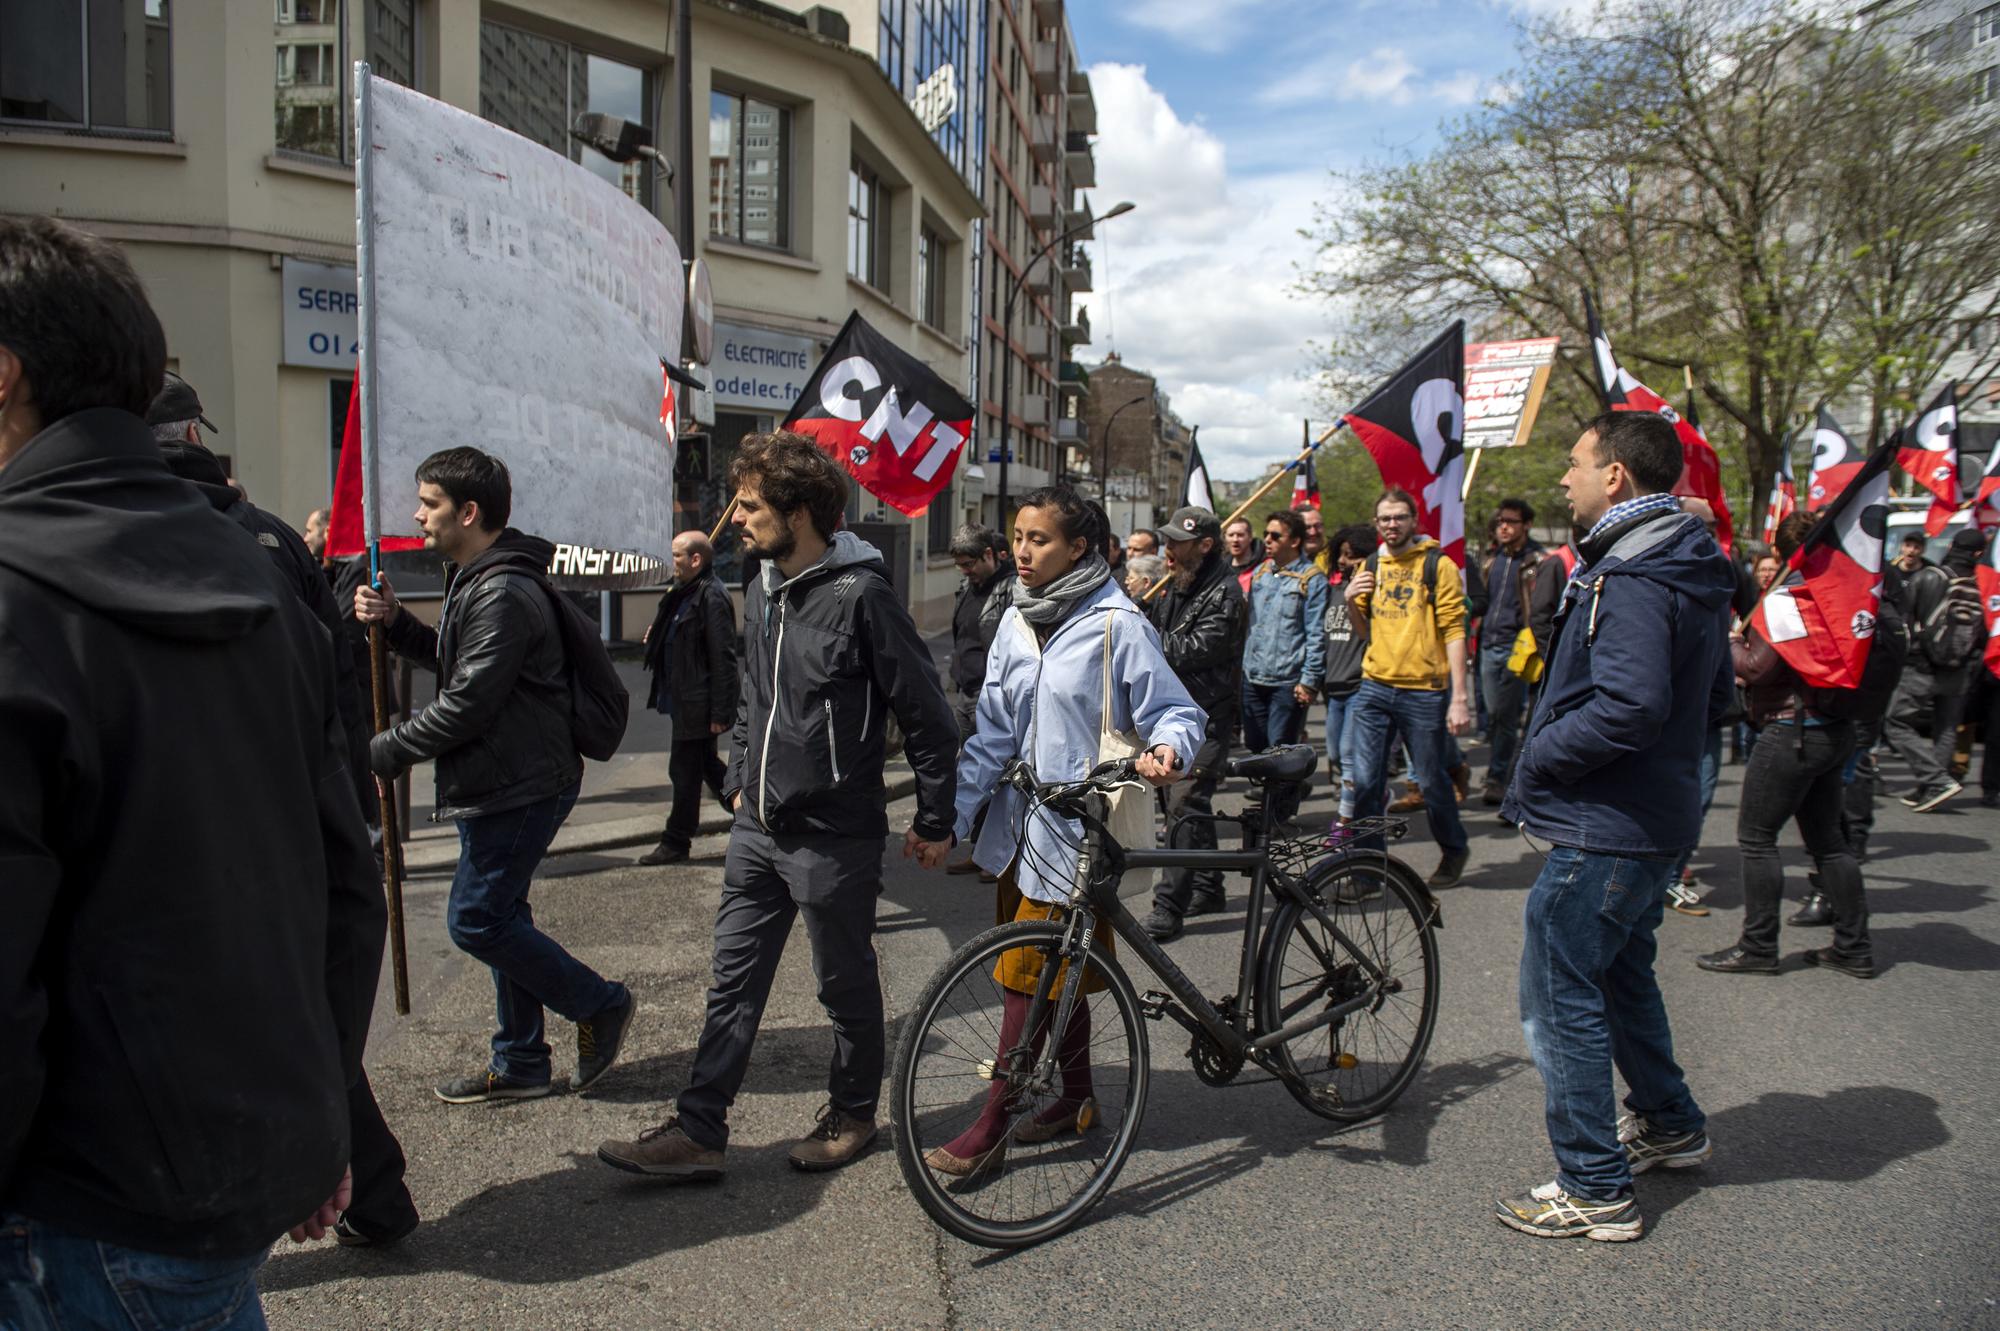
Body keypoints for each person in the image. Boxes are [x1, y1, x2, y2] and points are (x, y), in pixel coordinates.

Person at [0, 214, 384, 1321]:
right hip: (218, 1180)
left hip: (67, 1214)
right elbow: (340, 878)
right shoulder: (256, 562)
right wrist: (313, 1121)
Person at [596, 431, 958, 1180]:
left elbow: (927, 714)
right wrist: (736, 776)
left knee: (842, 984)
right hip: (757, 827)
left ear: (800, 513)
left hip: (833, 835)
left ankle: (854, 1111)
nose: (739, 515)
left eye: (753, 503)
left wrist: (934, 817)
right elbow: (757, 690)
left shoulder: (863, 597)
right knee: (731, 982)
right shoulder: (760, 586)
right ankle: (700, 1130)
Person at [148, 377, 416, 1248]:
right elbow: (330, 682)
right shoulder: (253, 534)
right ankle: (370, 1193)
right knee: (309, 1024)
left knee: (296, 1026)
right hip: (298, 819)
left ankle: (328, 1189)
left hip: (233, 834)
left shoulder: (163, 533)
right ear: (194, 431)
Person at [1494, 410, 1733, 1242]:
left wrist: (1539, 756)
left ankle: (1593, 1183)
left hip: (1611, 823)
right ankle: (1670, 1121)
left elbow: (1631, 704)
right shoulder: (1685, 560)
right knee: (1624, 976)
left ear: (1617, 476)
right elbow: (1712, 702)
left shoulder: (1633, 573)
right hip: (1651, 813)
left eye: (1575, 463)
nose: (1565, 478)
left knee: (1559, 993)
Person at [922, 485, 1204, 1176]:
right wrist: (949, 819)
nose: (1021, 550)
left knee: (1027, 976)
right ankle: (1075, 1096)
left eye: (1038, 539)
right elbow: (991, 733)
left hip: (1082, 832)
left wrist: (1169, 747)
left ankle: (992, 1120)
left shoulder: (1117, 623)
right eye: (1018, 535)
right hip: (1023, 827)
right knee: (1058, 972)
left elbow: (1176, 710)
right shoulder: (1018, 621)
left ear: (1079, 548)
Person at [358, 447, 636, 1104]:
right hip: (502, 778)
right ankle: (520, 1061)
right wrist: (396, 623)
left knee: (477, 919)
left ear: (469, 511)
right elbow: (460, 665)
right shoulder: (476, 579)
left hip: (523, 782)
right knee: (502, 913)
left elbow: (469, 701)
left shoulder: (503, 589)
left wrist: (387, 748)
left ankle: (598, 1003)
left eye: (429, 504)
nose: (418, 515)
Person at [1697, 516, 1882, 980]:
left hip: (1791, 731)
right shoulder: (1840, 591)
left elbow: (1758, 668)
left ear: (1781, 554)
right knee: (1830, 842)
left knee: (1757, 840)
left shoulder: (1790, 596)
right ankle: (1853, 947)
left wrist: (1728, 643)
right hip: (1833, 728)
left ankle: (1758, 947)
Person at [1343, 488, 1473, 887]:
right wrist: (1350, 601)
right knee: (1366, 782)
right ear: (1376, 523)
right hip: (1375, 687)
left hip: (1424, 691)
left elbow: (1454, 629)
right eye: (1385, 518)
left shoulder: (1438, 565)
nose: (1392, 524)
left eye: (1399, 517)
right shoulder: (1369, 565)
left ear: (1414, 520)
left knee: (1432, 782)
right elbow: (1364, 631)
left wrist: (1459, 698)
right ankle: (1367, 873)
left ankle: (1453, 849)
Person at [1142, 506, 1250, 941]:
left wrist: (1143, 637)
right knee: (1190, 805)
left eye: (1176, 542)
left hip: (1208, 717)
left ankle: (1169, 905)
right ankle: (1209, 885)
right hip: (1176, 713)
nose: (1167, 549)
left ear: (1204, 546)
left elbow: (1193, 650)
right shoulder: (1178, 587)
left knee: (1183, 803)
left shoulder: (1225, 594)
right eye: (1166, 541)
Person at [638, 531, 738, 866]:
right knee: (707, 769)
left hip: (699, 702)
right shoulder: (685, 592)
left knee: (684, 771)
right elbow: (677, 629)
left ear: (696, 559)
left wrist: (721, 710)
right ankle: (756, 820)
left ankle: (676, 841)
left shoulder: (712, 596)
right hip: (683, 698)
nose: (672, 562)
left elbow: (723, 656)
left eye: (677, 556)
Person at [1881, 525, 1989, 812]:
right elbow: (1983, 633)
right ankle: (1931, 788)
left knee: (1895, 722)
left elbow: (1903, 620)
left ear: (1952, 546)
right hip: (1960, 670)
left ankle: (1936, 779)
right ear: (1979, 553)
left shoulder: (1929, 576)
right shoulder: (1980, 584)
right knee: (1946, 729)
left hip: (1922, 667)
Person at [1240, 508, 1328, 806]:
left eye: (1275, 535)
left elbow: (1316, 633)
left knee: (1280, 751)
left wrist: (1309, 679)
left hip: (1287, 680)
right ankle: (1284, 792)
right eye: (1266, 534)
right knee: (1255, 744)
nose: (1267, 540)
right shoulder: (1262, 572)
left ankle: (1279, 811)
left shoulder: (1312, 579)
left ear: (1295, 541)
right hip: (1253, 674)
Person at [1474, 498, 1544, 805]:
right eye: (1500, 520)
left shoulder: (1538, 560)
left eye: (1511, 521)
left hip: (1520, 649)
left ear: (1526, 525)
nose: (1503, 526)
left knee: (1507, 717)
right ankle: (1503, 774)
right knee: (1494, 716)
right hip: (1489, 645)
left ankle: (1499, 779)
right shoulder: (1491, 558)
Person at [1322, 524, 1377, 821]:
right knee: (1332, 754)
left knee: (1348, 753)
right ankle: (1377, 795)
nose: (1344, 561)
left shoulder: (1373, 595)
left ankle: (1345, 818)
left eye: (1352, 556)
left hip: (1361, 685)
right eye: (1341, 555)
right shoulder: (1333, 591)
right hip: (1334, 687)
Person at [946, 523, 1016, 742]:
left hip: (991, 696)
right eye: (960, 566)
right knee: (963, 762)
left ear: (988, 554)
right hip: (964, 693)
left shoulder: (1012, 589)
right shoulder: (966, 586)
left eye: (968, 564)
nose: (965, 571)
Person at [1225, 515, 1260, 596]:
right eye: (1231, 535)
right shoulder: (1220, 570)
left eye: (1240, 535)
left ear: (1250, 537)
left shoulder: (1263, 568)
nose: (1235, 539)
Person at [1301, 505, 1331, 575]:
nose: (1313, 532)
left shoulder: (1337, 556)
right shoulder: (1284, 560)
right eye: (1307, 527)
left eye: (1317, 526)